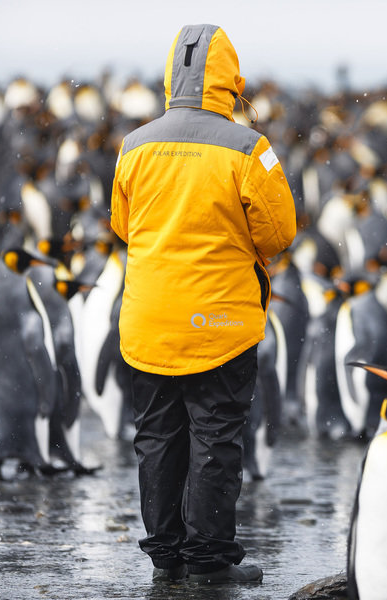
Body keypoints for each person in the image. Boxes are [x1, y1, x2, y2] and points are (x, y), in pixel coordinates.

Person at [110, 24, 296, 584]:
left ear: (174, 75)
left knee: (157, 437)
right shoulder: (249, 148)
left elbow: (123, 225)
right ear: (229, 80)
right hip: (217, 321)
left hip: (148, 319)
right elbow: (279, 232)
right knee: (215, 437)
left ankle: (166, 557)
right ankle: (209, 560)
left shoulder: (134, 144)